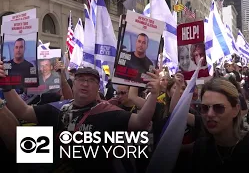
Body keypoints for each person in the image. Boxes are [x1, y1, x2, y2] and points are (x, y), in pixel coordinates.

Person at [0, 63, 160, 172]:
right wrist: (6, 84)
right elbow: (22, 111)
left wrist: (153, 95)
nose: (85, 84)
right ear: (74, 84)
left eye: (91, 81)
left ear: (98, 87)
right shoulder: (58, 109)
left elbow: (140, 122)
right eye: (81, 80)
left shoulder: (109, 112)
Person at [189, 77, 249, 172]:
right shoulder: (200, 148)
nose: (210, 114)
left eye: (219, 108)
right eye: (204, 108)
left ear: (236, 110)